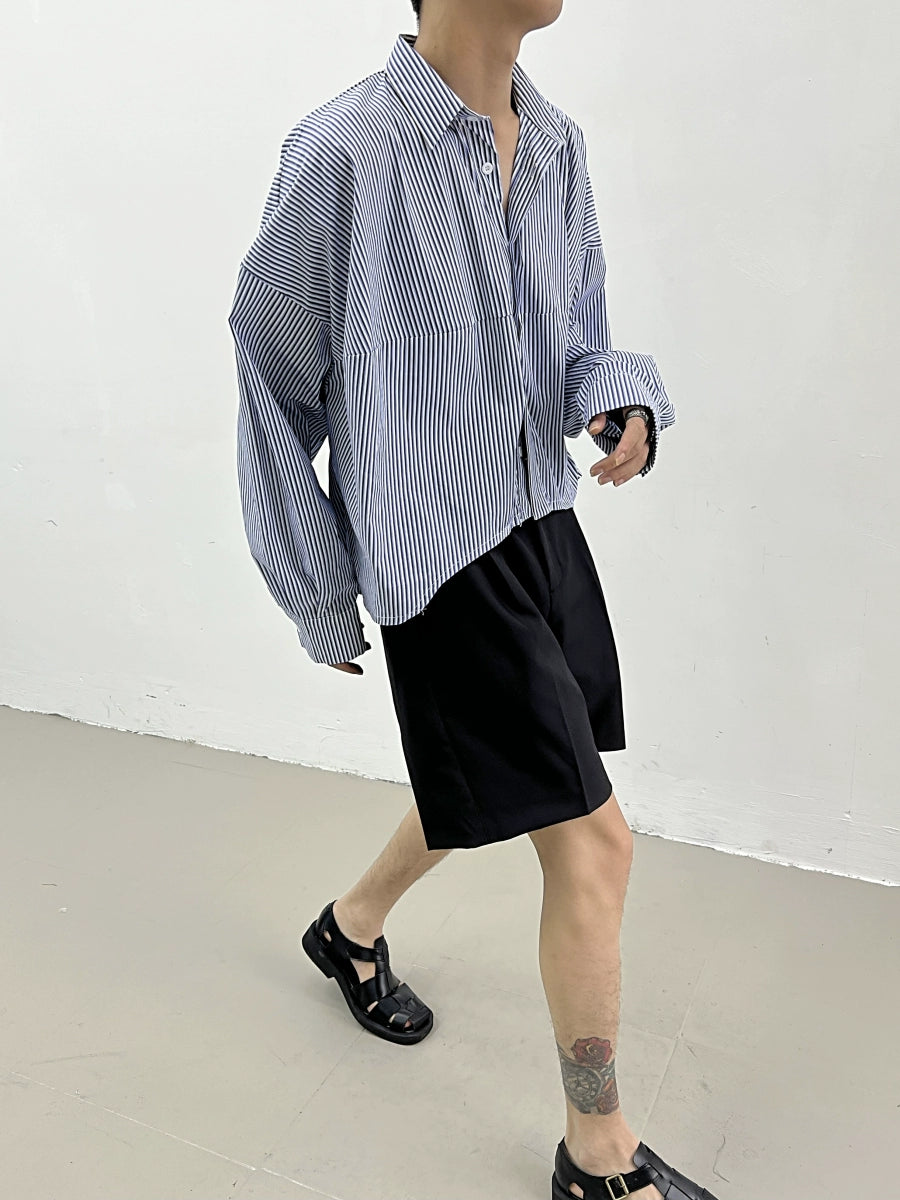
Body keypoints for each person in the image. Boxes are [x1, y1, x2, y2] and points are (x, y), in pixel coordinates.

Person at [228, 4, 716, 1198]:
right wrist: (318, 582)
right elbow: (270, 374)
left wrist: (620, 403)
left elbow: (576, 343)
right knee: (596, 842)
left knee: (502, 775)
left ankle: (347, 929)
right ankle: (596, 1155)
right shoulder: (342, 154)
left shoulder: (557, 147)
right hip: (438, 556)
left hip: (538, 521)